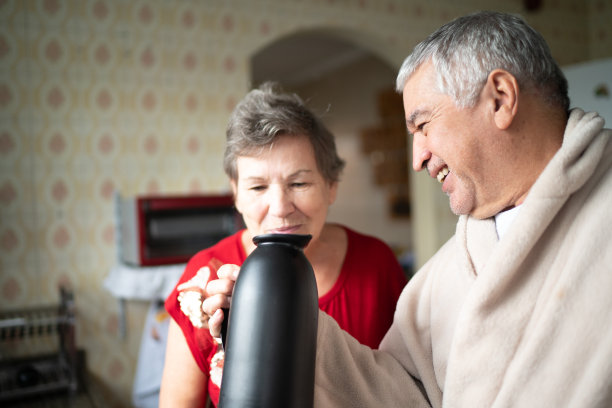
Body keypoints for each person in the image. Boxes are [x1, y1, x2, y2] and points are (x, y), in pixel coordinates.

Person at [207, 11, 612, 407]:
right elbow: (402, 390)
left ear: (500, 100)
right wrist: (278, 321)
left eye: (423, 126)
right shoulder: (439, 279)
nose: (417, 158)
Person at [159, 82, 408, 407]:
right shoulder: (205, 278)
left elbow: (406, 387)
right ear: (235, 193)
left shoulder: (377, 263)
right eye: (258, 187)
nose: (279, 207)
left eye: (299, 183)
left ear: (331, 185)